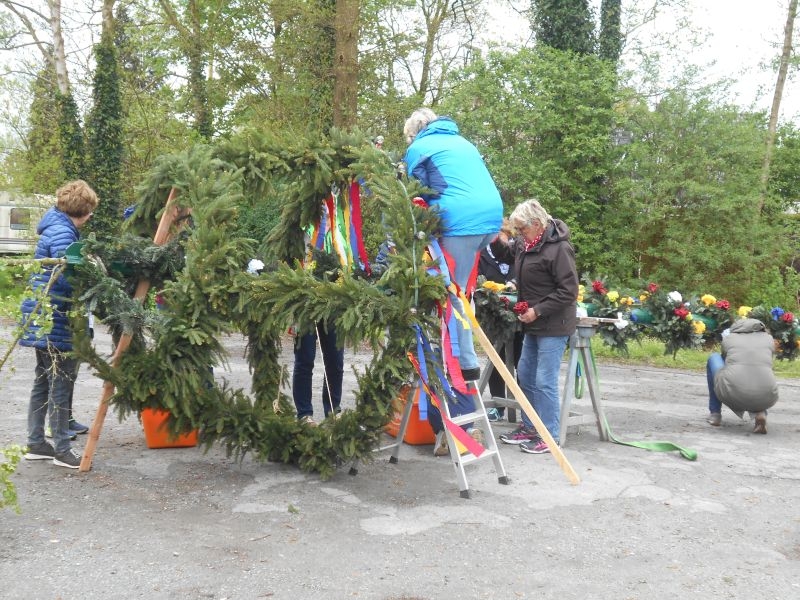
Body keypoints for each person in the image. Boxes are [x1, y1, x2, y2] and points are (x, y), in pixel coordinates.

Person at [403, 108, 503, 456]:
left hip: (460, 222)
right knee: (460, 289)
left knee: (450, 301)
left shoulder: (420, 148)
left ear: (415, 132)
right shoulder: (463, 142)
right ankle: (463, 351)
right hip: (490, 222)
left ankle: (463, 360)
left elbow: (413, 197)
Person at [21, 180, 99, 469]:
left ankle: (36, 442)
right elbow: (68, 277)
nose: (91, 216)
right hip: (56, 317)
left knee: (43, 380)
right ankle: (63, 449)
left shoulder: (54, 227)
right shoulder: (64, 233)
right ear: (83, 209)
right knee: (60, 382)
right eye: (90, 211)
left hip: (43, 316)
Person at [490, 199, 578, 454]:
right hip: (533, 324)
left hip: (555, 323)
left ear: (537, 225)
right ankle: (529, 427)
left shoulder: (559, 249)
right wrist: (495, 237)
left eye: (522, 230)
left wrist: (537, 310)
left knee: (544, 380)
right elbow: (506, 253)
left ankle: (550, 436)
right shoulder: (525, 244)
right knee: (525, 374)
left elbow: (568, 291)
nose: (518, 235)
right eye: (516, 231)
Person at [478, 219, 523, 422]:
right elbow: (478, 277)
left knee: (522, 359)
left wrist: (514, 282)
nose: (508, 242)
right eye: (504, 238)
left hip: (518, 311)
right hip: (491, 312)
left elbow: (524, 272)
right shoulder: (480, 251)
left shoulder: (517, 250)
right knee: (496, 359)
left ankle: (525, 406)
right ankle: (497, 405)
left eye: (509, 238)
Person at [706, 318, 779, 433]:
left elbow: (725, 360)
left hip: (733, 392)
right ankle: (761, 413)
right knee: (759, 370)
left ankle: (715, 414)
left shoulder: (729, 339)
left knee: (714, 358)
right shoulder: (769, 339)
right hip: (768, 396)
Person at [292, 323, 345, 426]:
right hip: (303, 312)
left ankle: (333, 412)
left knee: (336, 361)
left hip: (334, 312)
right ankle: (304, 414)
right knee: (304, 360)